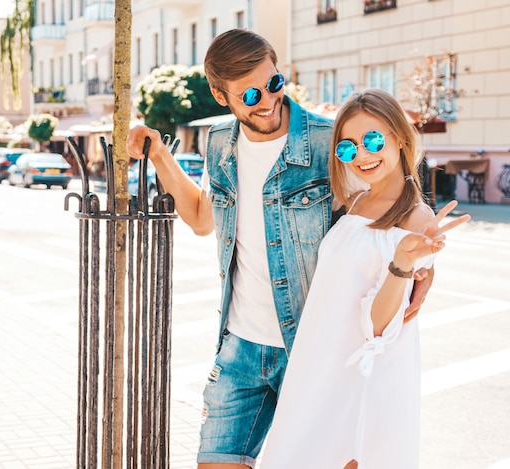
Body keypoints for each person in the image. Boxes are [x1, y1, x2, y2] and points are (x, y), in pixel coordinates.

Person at [126, 29, 432, 469]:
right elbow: (199, 217)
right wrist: (159, 155)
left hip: (312, 346)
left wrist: (423, 260)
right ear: (220, 94)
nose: (267, 101)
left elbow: (387, 193)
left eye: (273, 84)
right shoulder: (219, 144)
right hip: (240, 347)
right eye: (250, 94)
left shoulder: (329, 142)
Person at [259, 89, 471, 469]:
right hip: (319, 365)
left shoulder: (417, 219)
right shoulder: (355, 201)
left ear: (401, 139)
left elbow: (379, 327)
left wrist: (403, 264)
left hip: (361, 378)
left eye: (373, 140)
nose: (362, 155)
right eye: (347, 147)